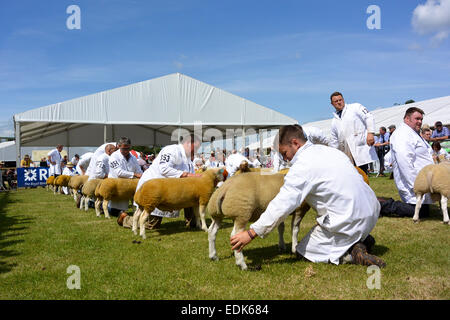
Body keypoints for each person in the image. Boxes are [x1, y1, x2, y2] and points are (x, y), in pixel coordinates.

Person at [230, 125, 385, 267]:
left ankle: (350, 253)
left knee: (302, 251)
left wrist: (252, 233)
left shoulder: (302, 166)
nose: (285, 158)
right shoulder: (331, 151)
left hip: (347, 218)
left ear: (295, 143)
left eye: (285, 153)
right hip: (371, 211)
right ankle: (360, 238)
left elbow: (283, 203)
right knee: (334, 228)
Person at [118, 133, 202, 230]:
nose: (195, 151)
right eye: (195, 148)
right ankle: (125, 219)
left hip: (169, 190)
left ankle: (193, 222)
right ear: (188, 143)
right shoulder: (171, 150)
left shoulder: (188, 158)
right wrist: (186, 174)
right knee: (152, 224)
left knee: (192, 194)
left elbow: (190, 177)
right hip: (153, 187)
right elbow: (164, 168)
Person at [379, 107, 434, 218]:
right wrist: (416, 185)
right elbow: (405, 162)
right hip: (413, 182)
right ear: (407, 118)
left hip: (422, 179)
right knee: (421, 212)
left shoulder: (413, 133)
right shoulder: (402, 134)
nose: (420, 121)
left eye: (421, 119)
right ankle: (382, 205)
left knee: (424, 210)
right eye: (417, 118)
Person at [329, 92, 378, 174]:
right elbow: (334, 141)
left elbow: (369, 116)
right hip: (346, 153)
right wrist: (334, 155)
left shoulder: (355, 107)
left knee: (362, 176)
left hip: (359, 149)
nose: (339, 102)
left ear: (343, 100)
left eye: (340, 100)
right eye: (336, 101)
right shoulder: (334, 121)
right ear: (332, 104)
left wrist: (370, 133)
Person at [107, 137, 143, 217]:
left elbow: (139, 171)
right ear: (119, 146)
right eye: (124, 149)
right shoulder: (114, 156)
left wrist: (142, 176)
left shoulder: (133, 157)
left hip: (128, 185)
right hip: (116, 186)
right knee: (115, 209)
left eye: (128, 148)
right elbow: (119, 172)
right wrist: (135, 174)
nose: (126, 151)